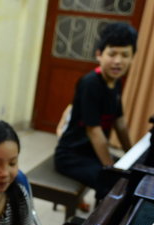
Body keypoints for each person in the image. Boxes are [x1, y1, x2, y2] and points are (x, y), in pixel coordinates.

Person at [54, 22, 138, 200]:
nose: (118, 61)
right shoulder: (90, 83)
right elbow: (94, 131)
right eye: (112, 54)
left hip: (92, 153)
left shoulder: (116, 82)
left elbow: (120, 123)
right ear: (99, 55)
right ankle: (102, 217)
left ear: (132, 58)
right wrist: (110, 168)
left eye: (125, 55)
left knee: (132, 173)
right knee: (114, 184)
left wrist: (132, 155)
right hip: (71, 156)